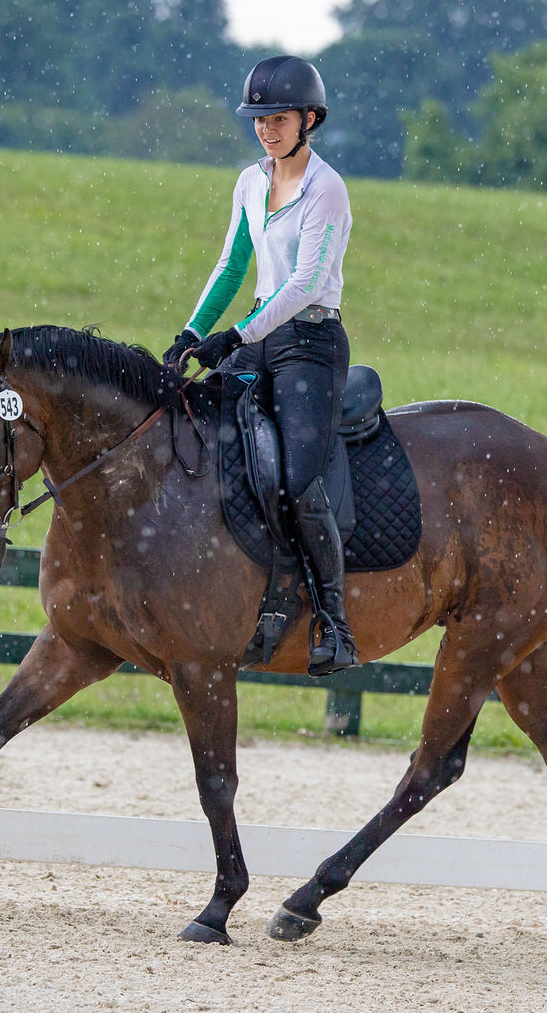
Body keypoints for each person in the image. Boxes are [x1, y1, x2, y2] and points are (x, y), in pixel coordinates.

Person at [162, 54, 357, 675]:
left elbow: (302, 284)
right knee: (201, 443)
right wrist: (194, 332)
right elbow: (230, 266)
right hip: (259, 338)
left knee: (298, 479)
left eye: (278, 118)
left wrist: (236, 335)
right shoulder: (250, 182)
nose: (267, 130)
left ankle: (333, 619)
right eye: (258, 119)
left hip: (310, 344)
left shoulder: (326, 189)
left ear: (309, 119)